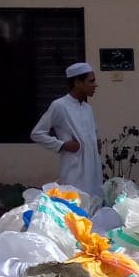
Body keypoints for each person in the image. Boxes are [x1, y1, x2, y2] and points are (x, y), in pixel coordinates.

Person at [31, 61, 104, 200]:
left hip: (93, 169)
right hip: (74, 171)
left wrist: (95, 142)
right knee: (75, 209)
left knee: (94, 205)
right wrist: (62, 145)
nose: (95, 85)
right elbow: (37, 133)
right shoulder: (60, 106)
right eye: (91, 81)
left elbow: (92, 133)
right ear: (77, 82)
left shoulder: (88, 109)